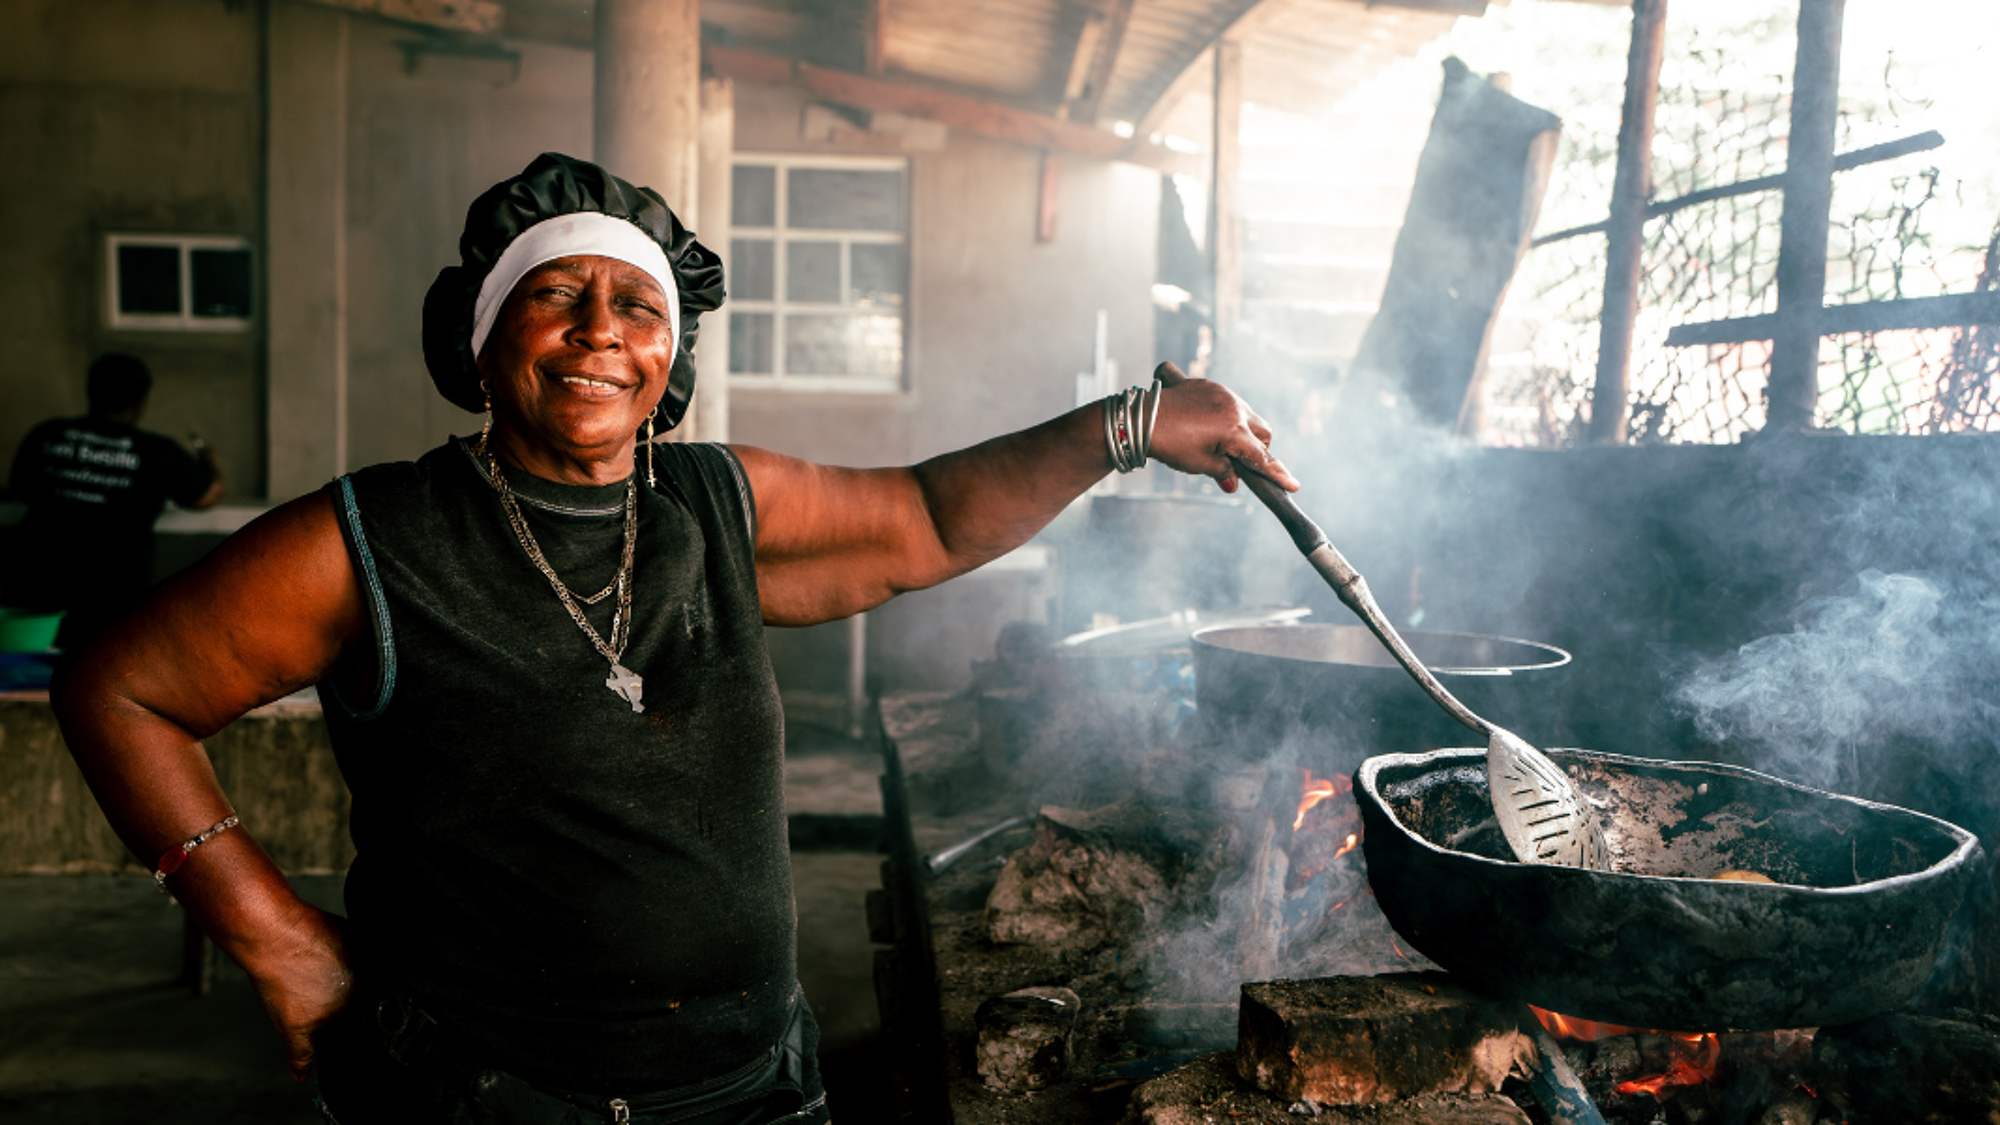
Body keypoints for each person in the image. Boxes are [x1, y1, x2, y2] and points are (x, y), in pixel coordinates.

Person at [52, 153, 1297, 1124]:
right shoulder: (373, 537)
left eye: (637, 306)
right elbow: (119, 688)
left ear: (670, 355)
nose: (601, 326)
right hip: (482, 1101)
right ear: (481, 342)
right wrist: (276, 943)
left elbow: (923, 517)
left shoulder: (712, 504)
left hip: (752, 1090)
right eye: (553, 296)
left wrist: (1125, 422)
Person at [5, 353, 224, 648]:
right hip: (114, 597)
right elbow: (207, 495)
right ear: (140, 402)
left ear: (91, 392)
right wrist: (211, 462)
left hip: (37, 590)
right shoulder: (158, 452)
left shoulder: (48, 433)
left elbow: (19, 489)